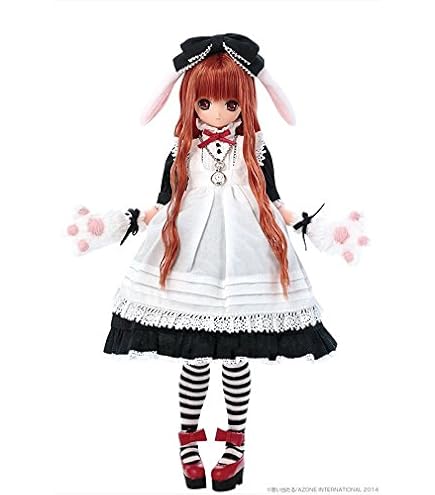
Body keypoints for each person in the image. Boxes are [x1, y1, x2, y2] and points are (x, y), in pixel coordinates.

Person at [103, 33, 337, 491]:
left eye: (230, 104)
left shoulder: (255, 149)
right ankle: (189, 442)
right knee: (194, 357)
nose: (216, 113)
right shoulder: (182, 151)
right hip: (190, 257)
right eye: (205, 102)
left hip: (246, 256)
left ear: (244, 104)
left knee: (236, 358)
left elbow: (276, 201)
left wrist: (310, 226)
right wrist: (123, 221)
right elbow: (162, 203)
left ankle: (235, 444)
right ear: (190, 101)